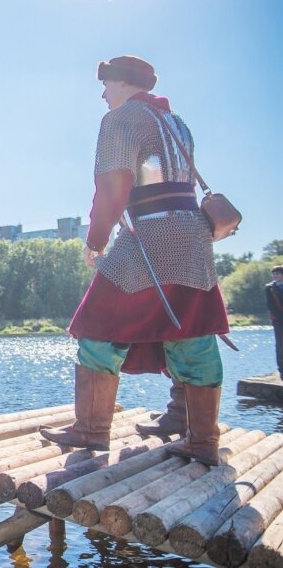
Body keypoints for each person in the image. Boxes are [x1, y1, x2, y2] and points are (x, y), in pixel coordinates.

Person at [40, 56, 229, 466]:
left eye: (106, 84)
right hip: (192, 238)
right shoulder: (176, 122)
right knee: (191, 333)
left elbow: (113, 185)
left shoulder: (122, 118)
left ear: (122, 83)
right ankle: (198, 434)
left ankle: (91, 429)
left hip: (151, 235)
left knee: (98, 325)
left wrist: (96, 239)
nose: (103, 93)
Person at [268, 266, 283, 375]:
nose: (275, 276)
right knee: (280, 344)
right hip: (278, 320)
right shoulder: (269, 288)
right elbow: (271, 305)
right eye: (274, 274)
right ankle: (281, 368)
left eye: (277, 274)